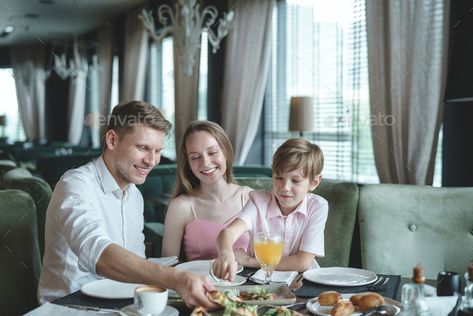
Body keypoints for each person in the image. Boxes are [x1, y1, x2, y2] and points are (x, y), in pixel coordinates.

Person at [38, 101, 216, 308]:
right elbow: (100, 254)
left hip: (123, 306)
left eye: (158, 150)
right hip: (70, 308)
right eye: (143, 148)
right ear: (112, 140)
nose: (152, 161)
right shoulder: (75, 184)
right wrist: (175, 278)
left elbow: (136, 263)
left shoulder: (134, 196)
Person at [212, 138, 329, 281]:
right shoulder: (258, 201)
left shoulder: (317, 206)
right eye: (279, 178)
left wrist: (250, 261)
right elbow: (228, 232)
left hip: (302, 282)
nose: (285, 187)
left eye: (295, 180)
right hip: (259, 280)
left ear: (314, 182)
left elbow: (302, 262)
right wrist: (226, 253)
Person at [162, 121, 252, 261]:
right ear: (188, 164)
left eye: (213, 152)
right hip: (198, 282)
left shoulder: (250, 198)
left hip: (250, 282)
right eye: (195, 157)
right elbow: (167, 265)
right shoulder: (180, 207)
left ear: (226, 153)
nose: (205, 163)